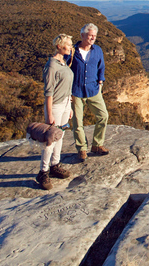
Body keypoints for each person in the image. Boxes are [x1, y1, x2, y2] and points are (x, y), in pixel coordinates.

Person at [37, 34, 74, 190]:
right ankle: (43, 172)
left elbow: (66, 86)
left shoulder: (63, 63)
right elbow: (49, 91)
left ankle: (55, 165)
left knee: (60, 136)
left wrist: (69, 105)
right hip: (56, 106)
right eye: (68, 44)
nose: (71, 47)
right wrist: (50, 113)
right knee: (50, 139)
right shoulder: (52, 65)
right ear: (59, 46)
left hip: (65, 104)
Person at [68, 23, 109, 161]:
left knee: (103, 116)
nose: (93, 38)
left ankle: (97, 145)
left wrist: (100, 82)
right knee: (77, 122)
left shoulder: (97, 50)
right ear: (82, 35)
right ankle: (82, 149)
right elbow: (65, 70)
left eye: (95, 36)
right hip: (76, 91)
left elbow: (101, 67)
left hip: (93, 90)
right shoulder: (72, 51)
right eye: (90, 35)